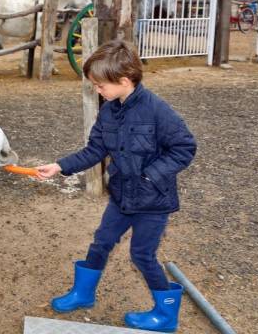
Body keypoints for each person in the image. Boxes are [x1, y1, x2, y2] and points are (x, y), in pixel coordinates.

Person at [35, 40, 196, 333]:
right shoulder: (109, 110)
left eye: (100, 85)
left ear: (123, 81)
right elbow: (95, 150)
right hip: (121, 197)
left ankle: (165, 315)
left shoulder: (158, 110)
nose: (97, 90)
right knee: (101, 242)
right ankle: (82, 294)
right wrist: (59, 166)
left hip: (153, 203)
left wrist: (150, 176)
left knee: (142, 255)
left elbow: (184, 148)